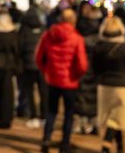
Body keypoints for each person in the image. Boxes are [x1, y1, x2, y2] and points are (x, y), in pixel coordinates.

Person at [37, 8, 88, 152]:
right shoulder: (77, 38)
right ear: (73, 21)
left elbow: (39, 57)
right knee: (68, 114)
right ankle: (65, 144)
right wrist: (76, 75)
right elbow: (82, 65)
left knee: (51, 111)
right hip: (70, 82)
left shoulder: (48, 35)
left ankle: (46, 140)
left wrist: (47, 71)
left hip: (53, 80)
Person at [94, 15, 125, 153]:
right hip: (122, 87)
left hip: (104, 86)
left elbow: (95, 68)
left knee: (113, 118)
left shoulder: (99, 47)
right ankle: (106, 145)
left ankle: (120, 147)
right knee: (115, 120)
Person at [74, 0, 103, 134]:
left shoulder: (95, 27)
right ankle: (86, 122)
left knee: (89, 95)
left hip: (92, 64)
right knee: (83, 95)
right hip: (83, 63)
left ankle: (91, 122)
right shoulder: (80, 25)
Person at [18, 6, 47, 127]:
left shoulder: (23, 31)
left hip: (28, 66)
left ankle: (34, 116)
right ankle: (44, 117)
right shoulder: (43, 30)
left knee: (30, 92)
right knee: (43, 92)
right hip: (42, 66)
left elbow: (20, 48)